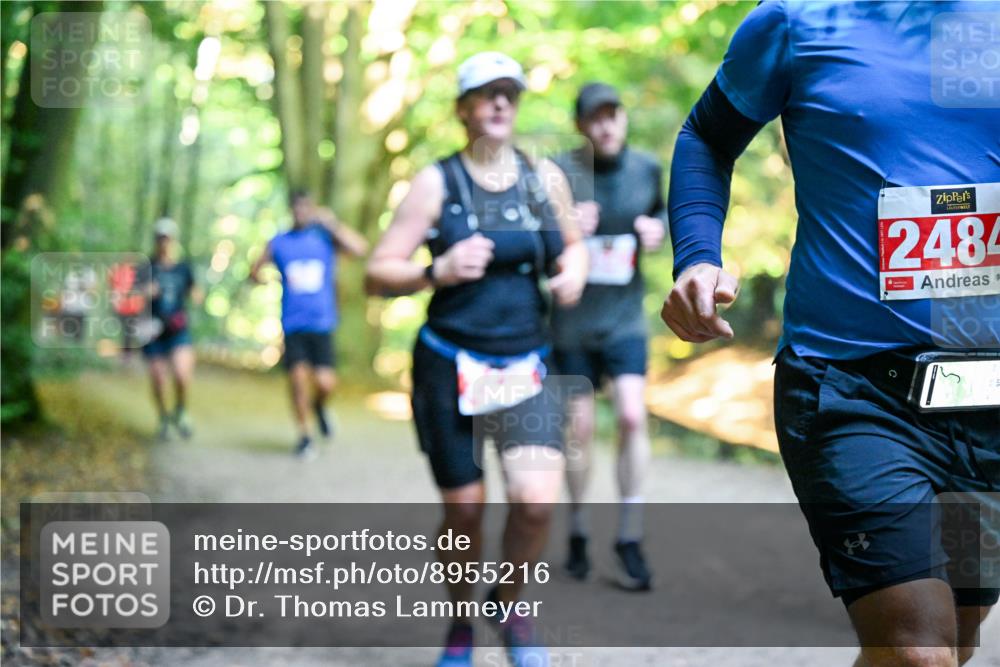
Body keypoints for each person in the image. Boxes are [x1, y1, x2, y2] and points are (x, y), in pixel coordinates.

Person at [661, 2, 999, 665]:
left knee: (955, 640)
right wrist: (697, 254)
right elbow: (705, 134)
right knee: (916, 649)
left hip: (988, 398)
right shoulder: (796, 22)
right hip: (851, 386)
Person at [366, 52, 587, 667]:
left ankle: (510, 607)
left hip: (525, 364)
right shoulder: (437, 183)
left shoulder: (545, 178)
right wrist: (434, 270)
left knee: (537, 500)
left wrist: (575, 270)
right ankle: (461, 621)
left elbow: (574, 247)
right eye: (485, 94)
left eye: (509, 95)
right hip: (449, 364)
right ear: (463, 108)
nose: (499, 104)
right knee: (465, 510)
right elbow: (377, 273)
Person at [551, 82, 666, 591]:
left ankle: (630, 535)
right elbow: (531, 239)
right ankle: (577, 528)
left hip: (624, 320)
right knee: (577, 432)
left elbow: (666, 214)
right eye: (594, 118)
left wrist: (656, 229)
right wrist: (565, 227)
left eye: (613, 115)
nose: (605, 125)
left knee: (630, 415)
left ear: (623, 119)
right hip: (570, 323)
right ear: (580, 125)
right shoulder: (559, 172)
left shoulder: (646, 168)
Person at [248, 190, 369, 458]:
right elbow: (254, 271)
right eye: (297, 207)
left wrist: (331, 223)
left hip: (322, 323)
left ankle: (320, 408)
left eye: (307, 207)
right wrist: (266, 280)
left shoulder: (324, 238)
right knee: (298, 379)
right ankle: (304, 435)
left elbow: (360, 248)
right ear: (291, 209)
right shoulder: (279, 241)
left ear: (313, 208)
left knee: (325, 383)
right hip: (293, 324)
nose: (302, 212)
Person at [142, 218, 202, 441]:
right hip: (152, 330)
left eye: (167, 238)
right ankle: (163, 417)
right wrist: (144, 293)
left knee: (182, 374)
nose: (163, 243)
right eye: (160, 238)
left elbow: (195, 291)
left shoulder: (183, 267)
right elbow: (129, 299)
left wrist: (195, 296)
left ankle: (181, 410)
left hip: (178, 329)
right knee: (158, 378)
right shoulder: (146, 266)